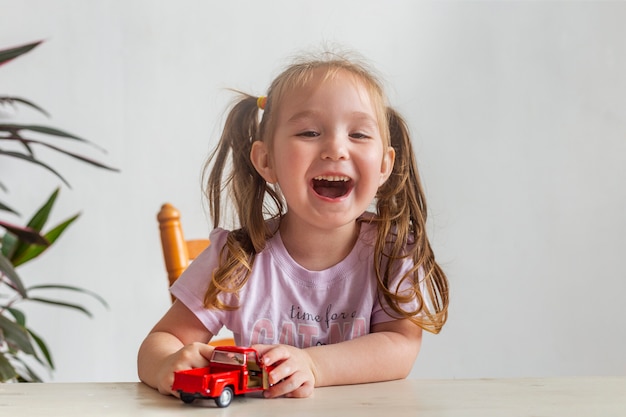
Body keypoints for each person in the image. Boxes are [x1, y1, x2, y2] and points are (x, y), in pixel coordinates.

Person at [138, 49, 449, 399]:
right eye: (310, 132)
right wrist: (167, 363)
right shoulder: (237, 258)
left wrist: (314, 365)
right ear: (266, 160)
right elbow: (160, 342)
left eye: (359, 135)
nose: (336, 149)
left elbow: (400, 346)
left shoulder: (392, 253)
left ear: (384, 165)